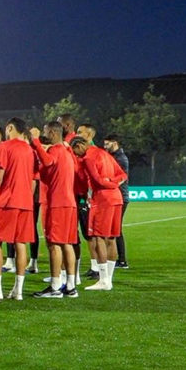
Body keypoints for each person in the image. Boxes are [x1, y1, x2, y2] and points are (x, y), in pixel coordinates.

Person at [70, 136, 127, 291]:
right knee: (111, 238)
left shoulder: (88, 158)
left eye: (75, 150)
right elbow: (123, 175)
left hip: (102, 199)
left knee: (98, 237)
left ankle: (103, 280)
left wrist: (108, 183)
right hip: (116, 198)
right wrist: (114, 183)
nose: (76, 155)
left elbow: (98, 181)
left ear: (80, 145)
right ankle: (108, 280)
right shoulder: (104, 154)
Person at [30, 122, 78, 298]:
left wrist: (35, 141)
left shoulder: (54, 151)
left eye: (44, 132)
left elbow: (48, 161)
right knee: (67, 244)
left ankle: (55, 286)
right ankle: (71, 286)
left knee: (54, 245)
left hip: (56, 203)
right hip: (69, 202)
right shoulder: (66, 152)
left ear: (51, 132)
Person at [0, 117, 35, 301]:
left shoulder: (5, 147)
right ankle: (18, 290)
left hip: (6, 201)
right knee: (21, 244)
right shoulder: (29, 150)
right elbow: (33, 179)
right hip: (25, 201)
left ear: (9, 128)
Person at [77, 123, 100, 278]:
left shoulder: (91, 154)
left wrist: (89, 197)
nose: (77, 134)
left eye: (80, 132)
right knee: (87, 234)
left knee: (92, 234)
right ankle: (95, 266)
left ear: (89, 135)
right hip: (81, 196)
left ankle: (98, 267)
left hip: (87, 198)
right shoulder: (83, 153)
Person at [104, 134, 130, 269]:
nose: (105, 147)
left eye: (107, 144)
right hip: (117, 196)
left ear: (114, 143)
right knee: (114, 229)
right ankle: (119, 259)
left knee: (116, 229)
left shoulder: (120, 158)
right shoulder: (114, 157)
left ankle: (122, 260)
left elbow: (121, 179)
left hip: (120, 197)